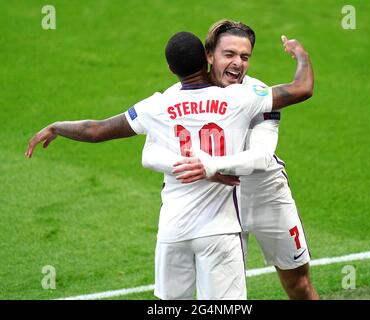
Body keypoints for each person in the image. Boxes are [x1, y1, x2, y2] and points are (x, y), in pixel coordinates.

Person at [25, 31, 288, 300]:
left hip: (172, 231)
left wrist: (56, 126)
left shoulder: (157, 107)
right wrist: (301, 57)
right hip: (219, 231)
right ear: (207, 59)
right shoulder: (236, 100)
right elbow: (300, 90)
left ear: (171, 69)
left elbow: (96, 130)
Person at [141, 20, 319, 299]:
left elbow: (261, 156)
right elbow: (150, 151)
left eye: (244, 57)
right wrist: (202, 170)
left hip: (265, 193)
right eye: (229, 55)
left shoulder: (257, 94)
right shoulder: (177, 96)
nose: (238, 63)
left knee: (298, 283)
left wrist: (211, 166)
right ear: (209, 56)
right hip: (215, 204)